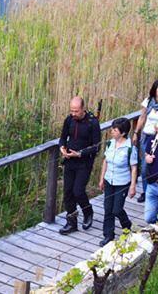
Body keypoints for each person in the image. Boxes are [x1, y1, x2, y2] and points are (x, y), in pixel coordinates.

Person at [58, 96, 101, 235]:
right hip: (70, 160)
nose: (73, 113)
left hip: (84, 161)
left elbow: (96, 147)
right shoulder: (69, 120)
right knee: (68, 193)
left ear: (83, 109)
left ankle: (88, 211)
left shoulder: (92, 122)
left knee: (78, 191)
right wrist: (62, 148)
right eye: (71, 110)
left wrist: (80, 153)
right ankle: (71, 222)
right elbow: (63, 137)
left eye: (76, 111)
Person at [97, 117, 137, 246]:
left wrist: (132, 186)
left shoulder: (130, 148)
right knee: (108, 208)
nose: (112, 132)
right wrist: (101, 178)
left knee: (117, 209)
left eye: (114, 130)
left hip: (122, 181)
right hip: (109, 180)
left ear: (123, 132)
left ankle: (127, 225)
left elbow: (134, 168)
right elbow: (105, 161)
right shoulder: (110, 143)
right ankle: (108, 235)